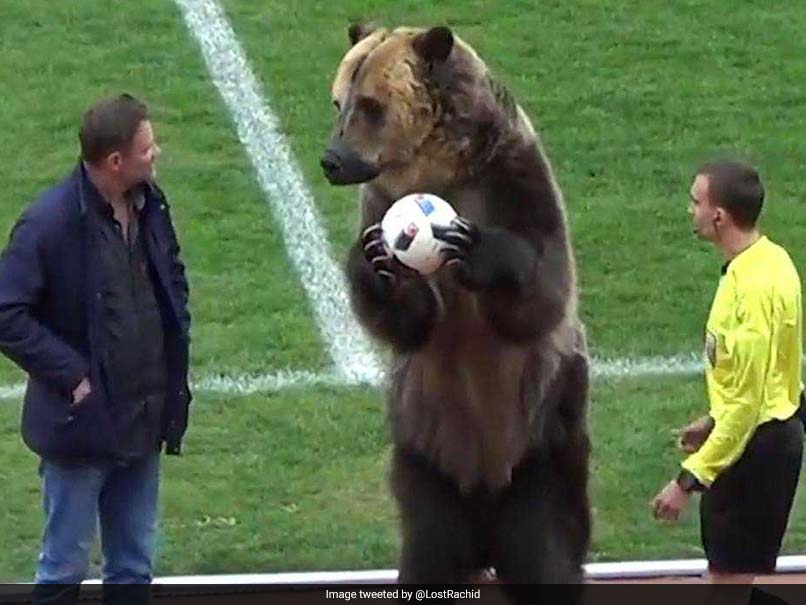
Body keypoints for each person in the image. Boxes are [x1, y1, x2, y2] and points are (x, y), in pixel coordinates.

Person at [0, 94, 191, 604]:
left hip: (143, 417)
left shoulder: (151, 203)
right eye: (147, 148)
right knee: (63, 568)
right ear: (115, 162)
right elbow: (6, 312)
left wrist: (176, 342)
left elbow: (170, 273)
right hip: (81, 426)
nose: (156, 154)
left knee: (132, 569)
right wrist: (73, 377)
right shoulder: (48, 224)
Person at [652, 160, 804, 583]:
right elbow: (778, 373)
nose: (690, 210)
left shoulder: (751, 292)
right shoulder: (774, 262)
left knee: (726, 585)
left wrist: (687, 480)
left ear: (719, 216)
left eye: (695, 201)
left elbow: (746, 407)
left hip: (754, 452)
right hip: (762, 439)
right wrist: (713, 418)